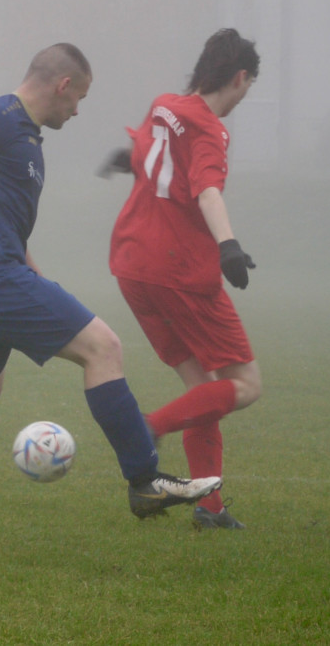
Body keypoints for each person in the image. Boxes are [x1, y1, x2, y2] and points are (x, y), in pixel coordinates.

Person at [0, 43, 221, 545]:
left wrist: (38, 278)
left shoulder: (26, 141)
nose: (77, 110)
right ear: (62, 86)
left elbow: (8, 231)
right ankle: (146, 481)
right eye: (78, 97)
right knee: (103, 348)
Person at [101, 28, 263, 530]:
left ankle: (209, 508)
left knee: (202, 390)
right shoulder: (211, 129)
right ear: (239, 78)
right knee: (245, 384)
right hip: (178, 272)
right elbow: (207, 192)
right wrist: (228, 247)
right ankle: (148, 430)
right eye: (249, 86)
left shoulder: (164, 105)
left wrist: (129, 162)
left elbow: (156, 159)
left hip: (132, 266)